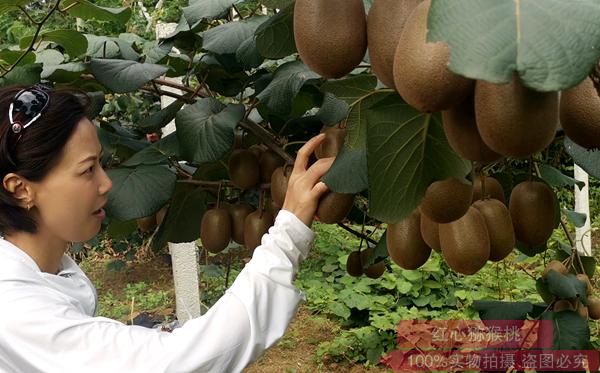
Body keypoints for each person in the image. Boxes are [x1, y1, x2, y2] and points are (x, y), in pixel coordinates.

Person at [0, 85, 334, 373]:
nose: (106, 183)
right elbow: (175, 364)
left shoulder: (49, 269)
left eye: (101, 163)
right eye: (88, 170)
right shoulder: (13, 308)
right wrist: (287, 231)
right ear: (21, 189)